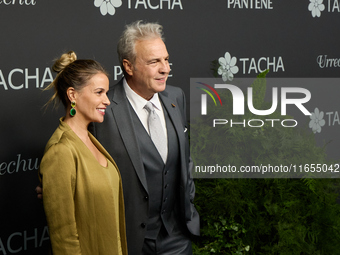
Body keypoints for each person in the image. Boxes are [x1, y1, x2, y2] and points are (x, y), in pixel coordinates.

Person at [89, 20, 200, 254]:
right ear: (129, 67)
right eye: (154, 62)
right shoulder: (103, 109)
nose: (166, 68)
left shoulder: (176, 97)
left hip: (177, 235)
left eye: (166, 60)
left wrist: (188, 203)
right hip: (129, 241)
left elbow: (184, 160)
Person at [39, 51, 128, 255]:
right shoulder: (60, 151)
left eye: (106, 93)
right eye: (99, 92)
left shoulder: (93, 141)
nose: (107, 101)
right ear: (73, 95)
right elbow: (64, 238)